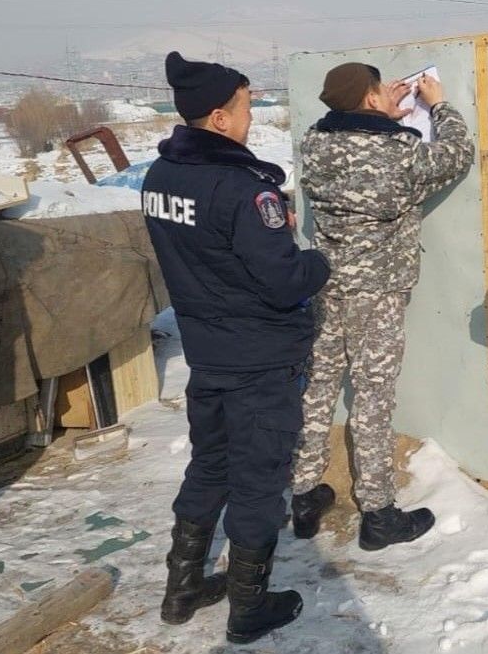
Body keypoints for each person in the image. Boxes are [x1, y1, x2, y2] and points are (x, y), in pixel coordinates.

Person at [142, 51, 330, 644]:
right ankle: (249, 607)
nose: (251, 119)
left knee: (210, 465)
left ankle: (183, 588)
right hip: (258, 360)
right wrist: (317, 261)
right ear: (220, 119)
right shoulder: (242, 189)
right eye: (247, 108)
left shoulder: (160, 178)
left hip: (209, 354)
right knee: (256, 479)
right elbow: (282, 280)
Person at [290, 62, 474, 550]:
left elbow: (355, 148)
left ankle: (304, 494)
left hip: (327, 282)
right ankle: (378, 513)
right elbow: (457, 153)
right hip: (378, 291)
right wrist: (437, 105)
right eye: (380, 92)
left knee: (319, 386)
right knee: (373, 397)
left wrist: (382, 113)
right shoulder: (398, 150)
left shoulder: (314, 143)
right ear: (372, 99)